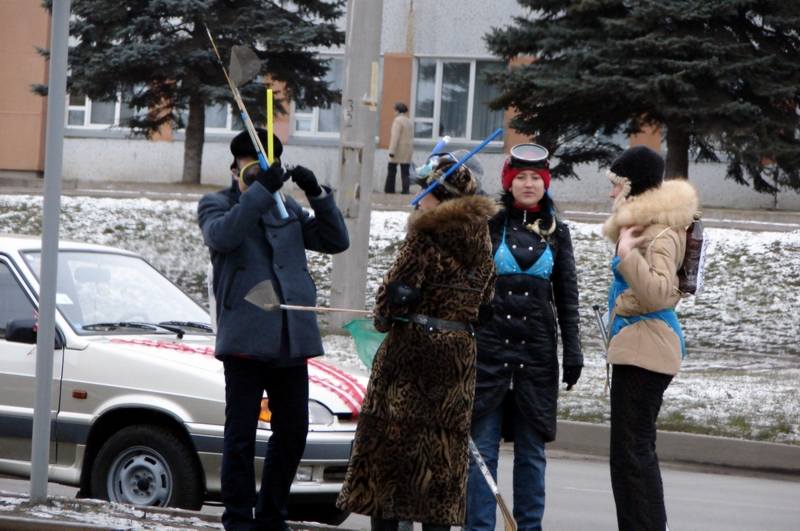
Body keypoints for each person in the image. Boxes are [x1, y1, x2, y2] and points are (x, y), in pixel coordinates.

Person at [197, 128, 349, 531]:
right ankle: (238, 517)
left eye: (263, 167)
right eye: (248, 166)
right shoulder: (217, 204)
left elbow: (336, 241)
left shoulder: (287, 210)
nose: (253, 173)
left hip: (290, 339)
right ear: (234, 169)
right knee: (241, 435)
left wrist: (317, 195)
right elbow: (224, 237)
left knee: (294, 431)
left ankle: (272, 512)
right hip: (246, 339)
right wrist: (259, 191)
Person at [337, 158, 498, 530]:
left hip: (412, 354)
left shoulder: (425, 234)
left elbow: (396, 294)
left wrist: (383, 317)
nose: (417, 198)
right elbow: (486, 297)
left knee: (392, 457)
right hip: (458, 353)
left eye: (423, 190)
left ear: (438, 195)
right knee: (440, 457)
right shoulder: (481, 235)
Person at [465, 144, 583, 531]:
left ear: (545, 183)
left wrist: (573, 351)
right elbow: (469, 287)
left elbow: (567, 297)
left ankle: (529, 527)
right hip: (490, 354)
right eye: (521, 178)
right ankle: (479, 526)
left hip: (536, 356)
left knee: (532, 454)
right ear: (509, 183)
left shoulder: (558, 232)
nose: (529, 184)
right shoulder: (490, 225)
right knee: (482, 449)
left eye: (536, 178)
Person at [602, 145, 699, 531]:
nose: (611, 193)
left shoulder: (659, 231)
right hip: (639, 348)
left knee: (633, 455)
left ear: (634, 186)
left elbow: (660, 292)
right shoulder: (648, 224)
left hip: (647, 352)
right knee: (630, 455)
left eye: (617, 185)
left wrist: (627, 254)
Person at [384, 102, 413, 194]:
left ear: (397, 110)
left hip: (398, 150)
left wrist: (391, 151)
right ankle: (406, 189)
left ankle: (389, 189)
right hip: (407, 150)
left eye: (395, 110)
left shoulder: (397, 121)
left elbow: (395, 137)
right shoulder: (409, 121)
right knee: (405, 172)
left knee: (391, 170)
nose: (394, 112)